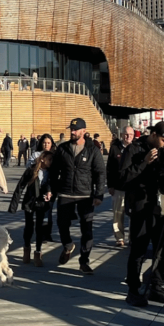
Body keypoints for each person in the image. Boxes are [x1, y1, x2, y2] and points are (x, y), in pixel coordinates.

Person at [121, 121, 164, 307]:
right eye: (163, 140)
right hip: (141, 206)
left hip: (162, 206)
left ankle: (157, 286)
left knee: (161, 249)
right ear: (153, 134)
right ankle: (134, 288)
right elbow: (122, 178)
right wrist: (144, 163)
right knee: (138, 249)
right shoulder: (134, 150)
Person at [50, 118, 106, 275]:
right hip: (65, 192)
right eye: (71, 129)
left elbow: (100, 173)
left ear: (84, 131)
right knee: (62, 224)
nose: (72, 132)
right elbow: (54, 172)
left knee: (86, 229)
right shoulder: (63, 149)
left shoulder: (92, 150)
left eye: (75, 129)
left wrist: (99, 194)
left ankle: (84, 261)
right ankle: (68, 245)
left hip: (85, 195)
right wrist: (50, 189)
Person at [8, 151, 54, 266]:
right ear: (42, 159)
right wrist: (13, 205)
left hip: (42, 203)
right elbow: (20, 187)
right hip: (30, 202)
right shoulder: (31, 170)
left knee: (39, 228)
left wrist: (50, 193)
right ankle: (26, 249)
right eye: (49, 159)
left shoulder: (51, 172)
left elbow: (52, 186)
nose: (51, 162)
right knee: (29, 227)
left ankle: (38, 252)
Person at [108, 126, 136, 248]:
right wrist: (110, 185)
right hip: (118, 187)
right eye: (126, 134)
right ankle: (119, 238)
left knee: (133, 215)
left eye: (130, 134)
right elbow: (109, 168)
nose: (128, 136)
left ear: (133, 136)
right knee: (117, 214)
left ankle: (132, 238)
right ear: (122, 135)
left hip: (132, 188)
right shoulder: (115, 149)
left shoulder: (136, 148)